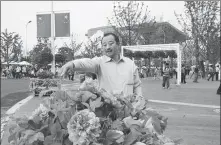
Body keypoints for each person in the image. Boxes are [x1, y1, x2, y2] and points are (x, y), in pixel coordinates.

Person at [60, 32, 142, 97]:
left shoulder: (130, 64)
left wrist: (139, 102)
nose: (107, 47)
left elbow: (137, 86)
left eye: (111, 43)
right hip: (108, 111)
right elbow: (86, 62)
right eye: (104, 45)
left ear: (118, 44)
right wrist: (72, 64)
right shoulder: (99, 63)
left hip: (128, 112)